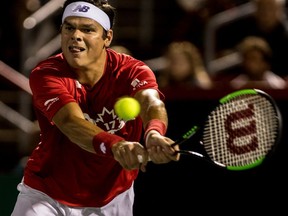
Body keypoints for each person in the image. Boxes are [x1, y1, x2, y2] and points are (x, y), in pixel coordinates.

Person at [11, 0, 179, 215]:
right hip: (47, 194)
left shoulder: (133, 70)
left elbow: (151, 102)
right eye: (69, 27)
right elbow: (71, 123)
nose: (76, 35)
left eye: (87, 29)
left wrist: (154, 132)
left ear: (107, 37)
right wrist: (116, 146)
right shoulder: (46, 74)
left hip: (112, 198)